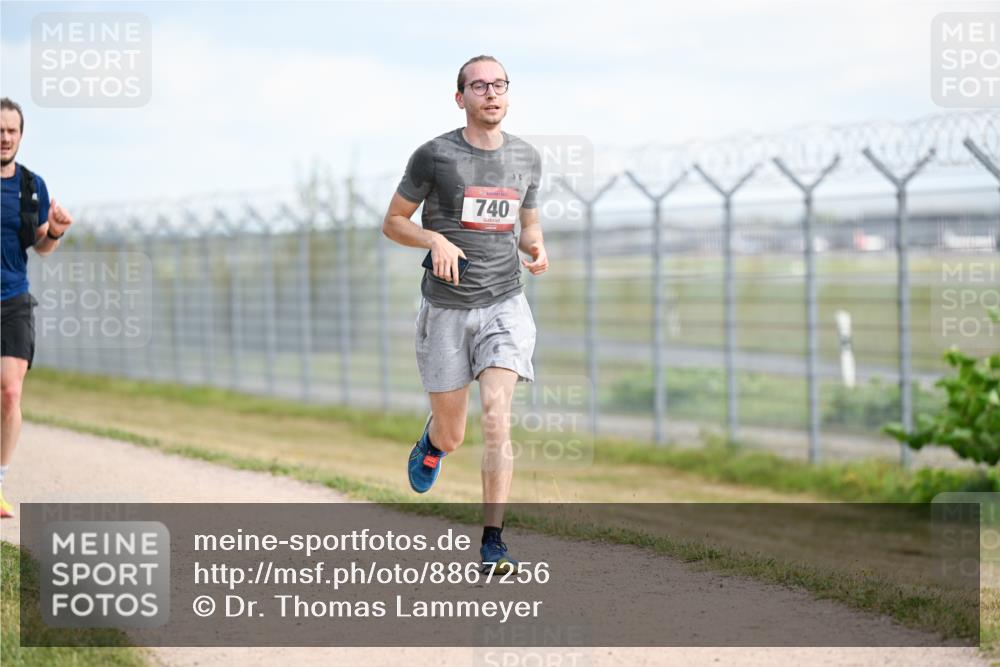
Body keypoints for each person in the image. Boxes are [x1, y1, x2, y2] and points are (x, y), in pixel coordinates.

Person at [382, 55, 548, 573]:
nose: (491, 94)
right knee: (454, 434)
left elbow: (529, 224)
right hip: (447, 311)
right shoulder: (435, 156)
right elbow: (392, 222)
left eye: (499, 84)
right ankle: (433, 441)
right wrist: (433, 237)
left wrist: (536, 250)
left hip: (505, 303)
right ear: (461, 98)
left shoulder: (526, 158)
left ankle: (493, 540)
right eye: (479, 86)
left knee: (497, 417)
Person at [0, 97, 74, 518]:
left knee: (10, 393)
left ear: (21, 136)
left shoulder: (32, 185)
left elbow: (42, 248)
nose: (5, 137)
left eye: (11, 130)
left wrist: (58, 232)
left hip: (12, 297)